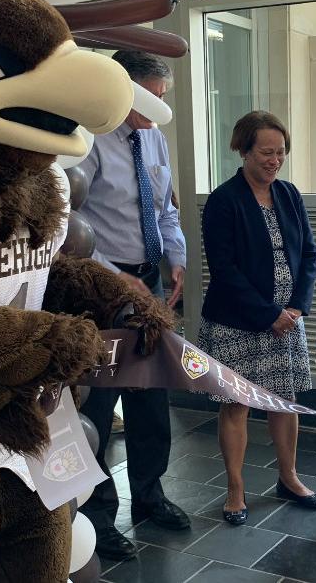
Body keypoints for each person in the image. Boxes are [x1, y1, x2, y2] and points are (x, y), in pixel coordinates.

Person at [75, 50, 190, 561]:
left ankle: (150, 495)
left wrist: (176, 259)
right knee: (98, 407)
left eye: (164, 101)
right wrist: (118, 279)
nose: (158, 110)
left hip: (148, 285)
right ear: (123, 90)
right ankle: (99, 518)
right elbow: (68, 225)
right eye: (152, 99)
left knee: (150, 399)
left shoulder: (155, 137)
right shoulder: (87, 138)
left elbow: (164, 207)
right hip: (100, 287)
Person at [199, 111, 316, 525]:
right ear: (243, 150)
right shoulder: (223, 200)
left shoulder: (289, 194)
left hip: (287, 321)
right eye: (266, 152)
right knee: (237, 406)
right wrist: (268, 314)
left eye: (281, 153)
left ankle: (288, 478)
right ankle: (235, 489)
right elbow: (224, 269)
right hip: (238, 323)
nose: (275, 160)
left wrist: (297, 307)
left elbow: (308, 255)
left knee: (284, 403)